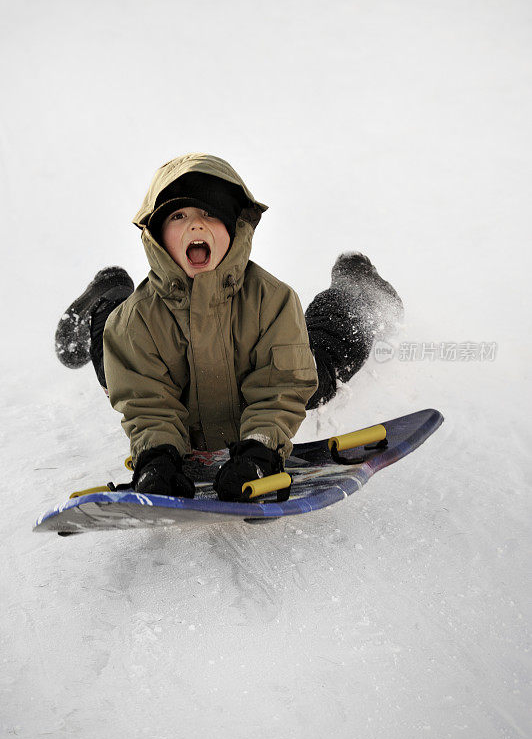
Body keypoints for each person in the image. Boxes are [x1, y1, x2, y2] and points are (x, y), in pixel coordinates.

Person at [55, 152, 403, 502]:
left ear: (233, 228)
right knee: (112, 364)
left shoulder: (272, 300)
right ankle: (109, 293)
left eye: (209, 213)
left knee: (318, 372)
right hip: (161, 377)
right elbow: (146, 401)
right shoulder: (134, 321)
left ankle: (354, 287)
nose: (196, 225)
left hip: (260, 379)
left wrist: (261, 449)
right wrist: (156, 455)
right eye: (179, 215)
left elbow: (281, 387)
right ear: (158, 236)